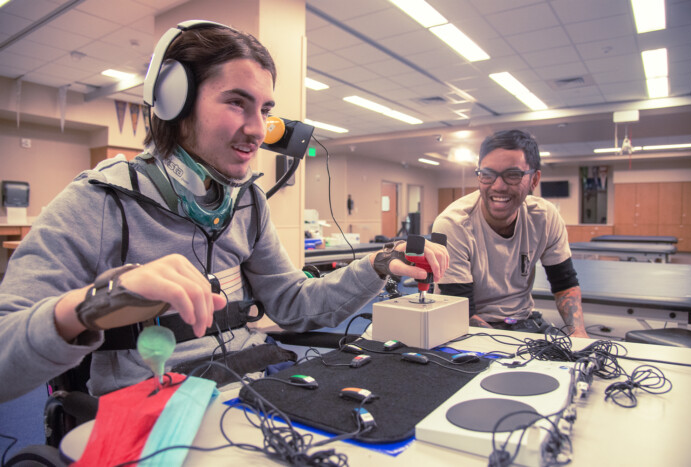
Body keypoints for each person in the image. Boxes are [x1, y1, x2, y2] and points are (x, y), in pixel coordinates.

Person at [0, 21, 448, 403]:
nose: (257, 131)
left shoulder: (246, 202)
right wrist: (88, 306)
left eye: (265, 110)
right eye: (237, 102)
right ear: (175, 101)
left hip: (251, 385)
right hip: (154, 407)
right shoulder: (99, 202)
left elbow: (293, 304)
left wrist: (376, 265)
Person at [433, 129, 588, 338]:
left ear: (534, 180)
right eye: (487, 175)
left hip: (524, 321)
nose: (498, 186)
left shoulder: (545, 217)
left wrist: (578, 333)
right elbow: (462, 310)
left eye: (512, 175)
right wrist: (516, 347)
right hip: (469, 328)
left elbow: (565, 283)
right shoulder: (453, 224)